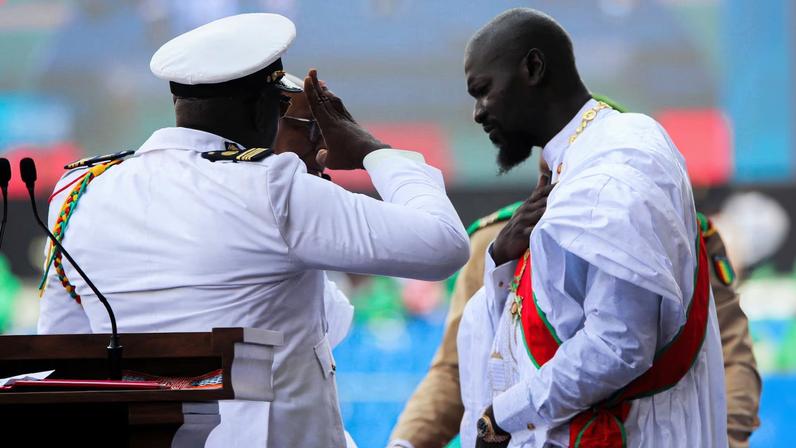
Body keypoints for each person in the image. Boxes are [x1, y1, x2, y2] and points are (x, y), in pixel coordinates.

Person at [37, 13, 469, 448]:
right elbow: (443, 243)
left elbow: (59, 351)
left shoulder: (79, 191)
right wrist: (372, 150)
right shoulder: (272, 188)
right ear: (265, 106)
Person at [455, 8, 726, 447]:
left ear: (533, 68)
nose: (478, 113)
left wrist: (501, 417)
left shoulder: (618, 158)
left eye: (482, 91)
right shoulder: (577, 160)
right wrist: (502, 260)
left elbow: (619, 344)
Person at [389, 165, 760, 448]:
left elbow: (732, 358)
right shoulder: (495, 242)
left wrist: (722, 439)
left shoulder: (680, 238)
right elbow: (454, 373)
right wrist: (405, 444)